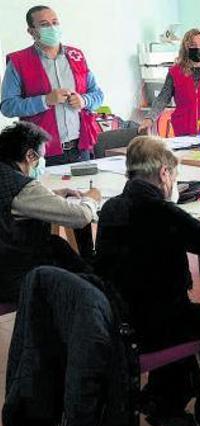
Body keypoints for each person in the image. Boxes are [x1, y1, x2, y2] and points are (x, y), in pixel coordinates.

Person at [94, 136, 200, 426]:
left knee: (187, 315)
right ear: (164, 173)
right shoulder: (163, 213)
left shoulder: (112, 208)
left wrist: (192, 223)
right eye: (174, 175)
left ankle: (163, 399)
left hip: (116, 319)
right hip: (155, 325)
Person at [1, 5, 105, 258]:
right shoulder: (19, 61)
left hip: (80, 147)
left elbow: (97, 94)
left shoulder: (77, 56)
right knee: (48, 211)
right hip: (43, 154)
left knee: (83, 203)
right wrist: (44, 100)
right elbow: (7, 105)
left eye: (55, 21)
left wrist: (85, 101)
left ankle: (89, 259)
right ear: (32, 31)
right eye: (44, 24)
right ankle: (48, 262)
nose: (52, 27)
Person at [0, 121, 99, 302]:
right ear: (30, 155)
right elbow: (81, 217)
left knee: (58, 246)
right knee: (76, 267)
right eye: (40, 157)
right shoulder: (22, 187)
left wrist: (51, 195)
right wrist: (91, 198)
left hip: (7, 259)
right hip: (15, 274)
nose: (41, 163)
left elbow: (13, 204)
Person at [139, 28, 200, 136]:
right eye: (193, 45)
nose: (198, 48)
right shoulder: (175, 72)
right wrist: (149, 118)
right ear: (186, 47)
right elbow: (162, 98)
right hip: (184, 132)